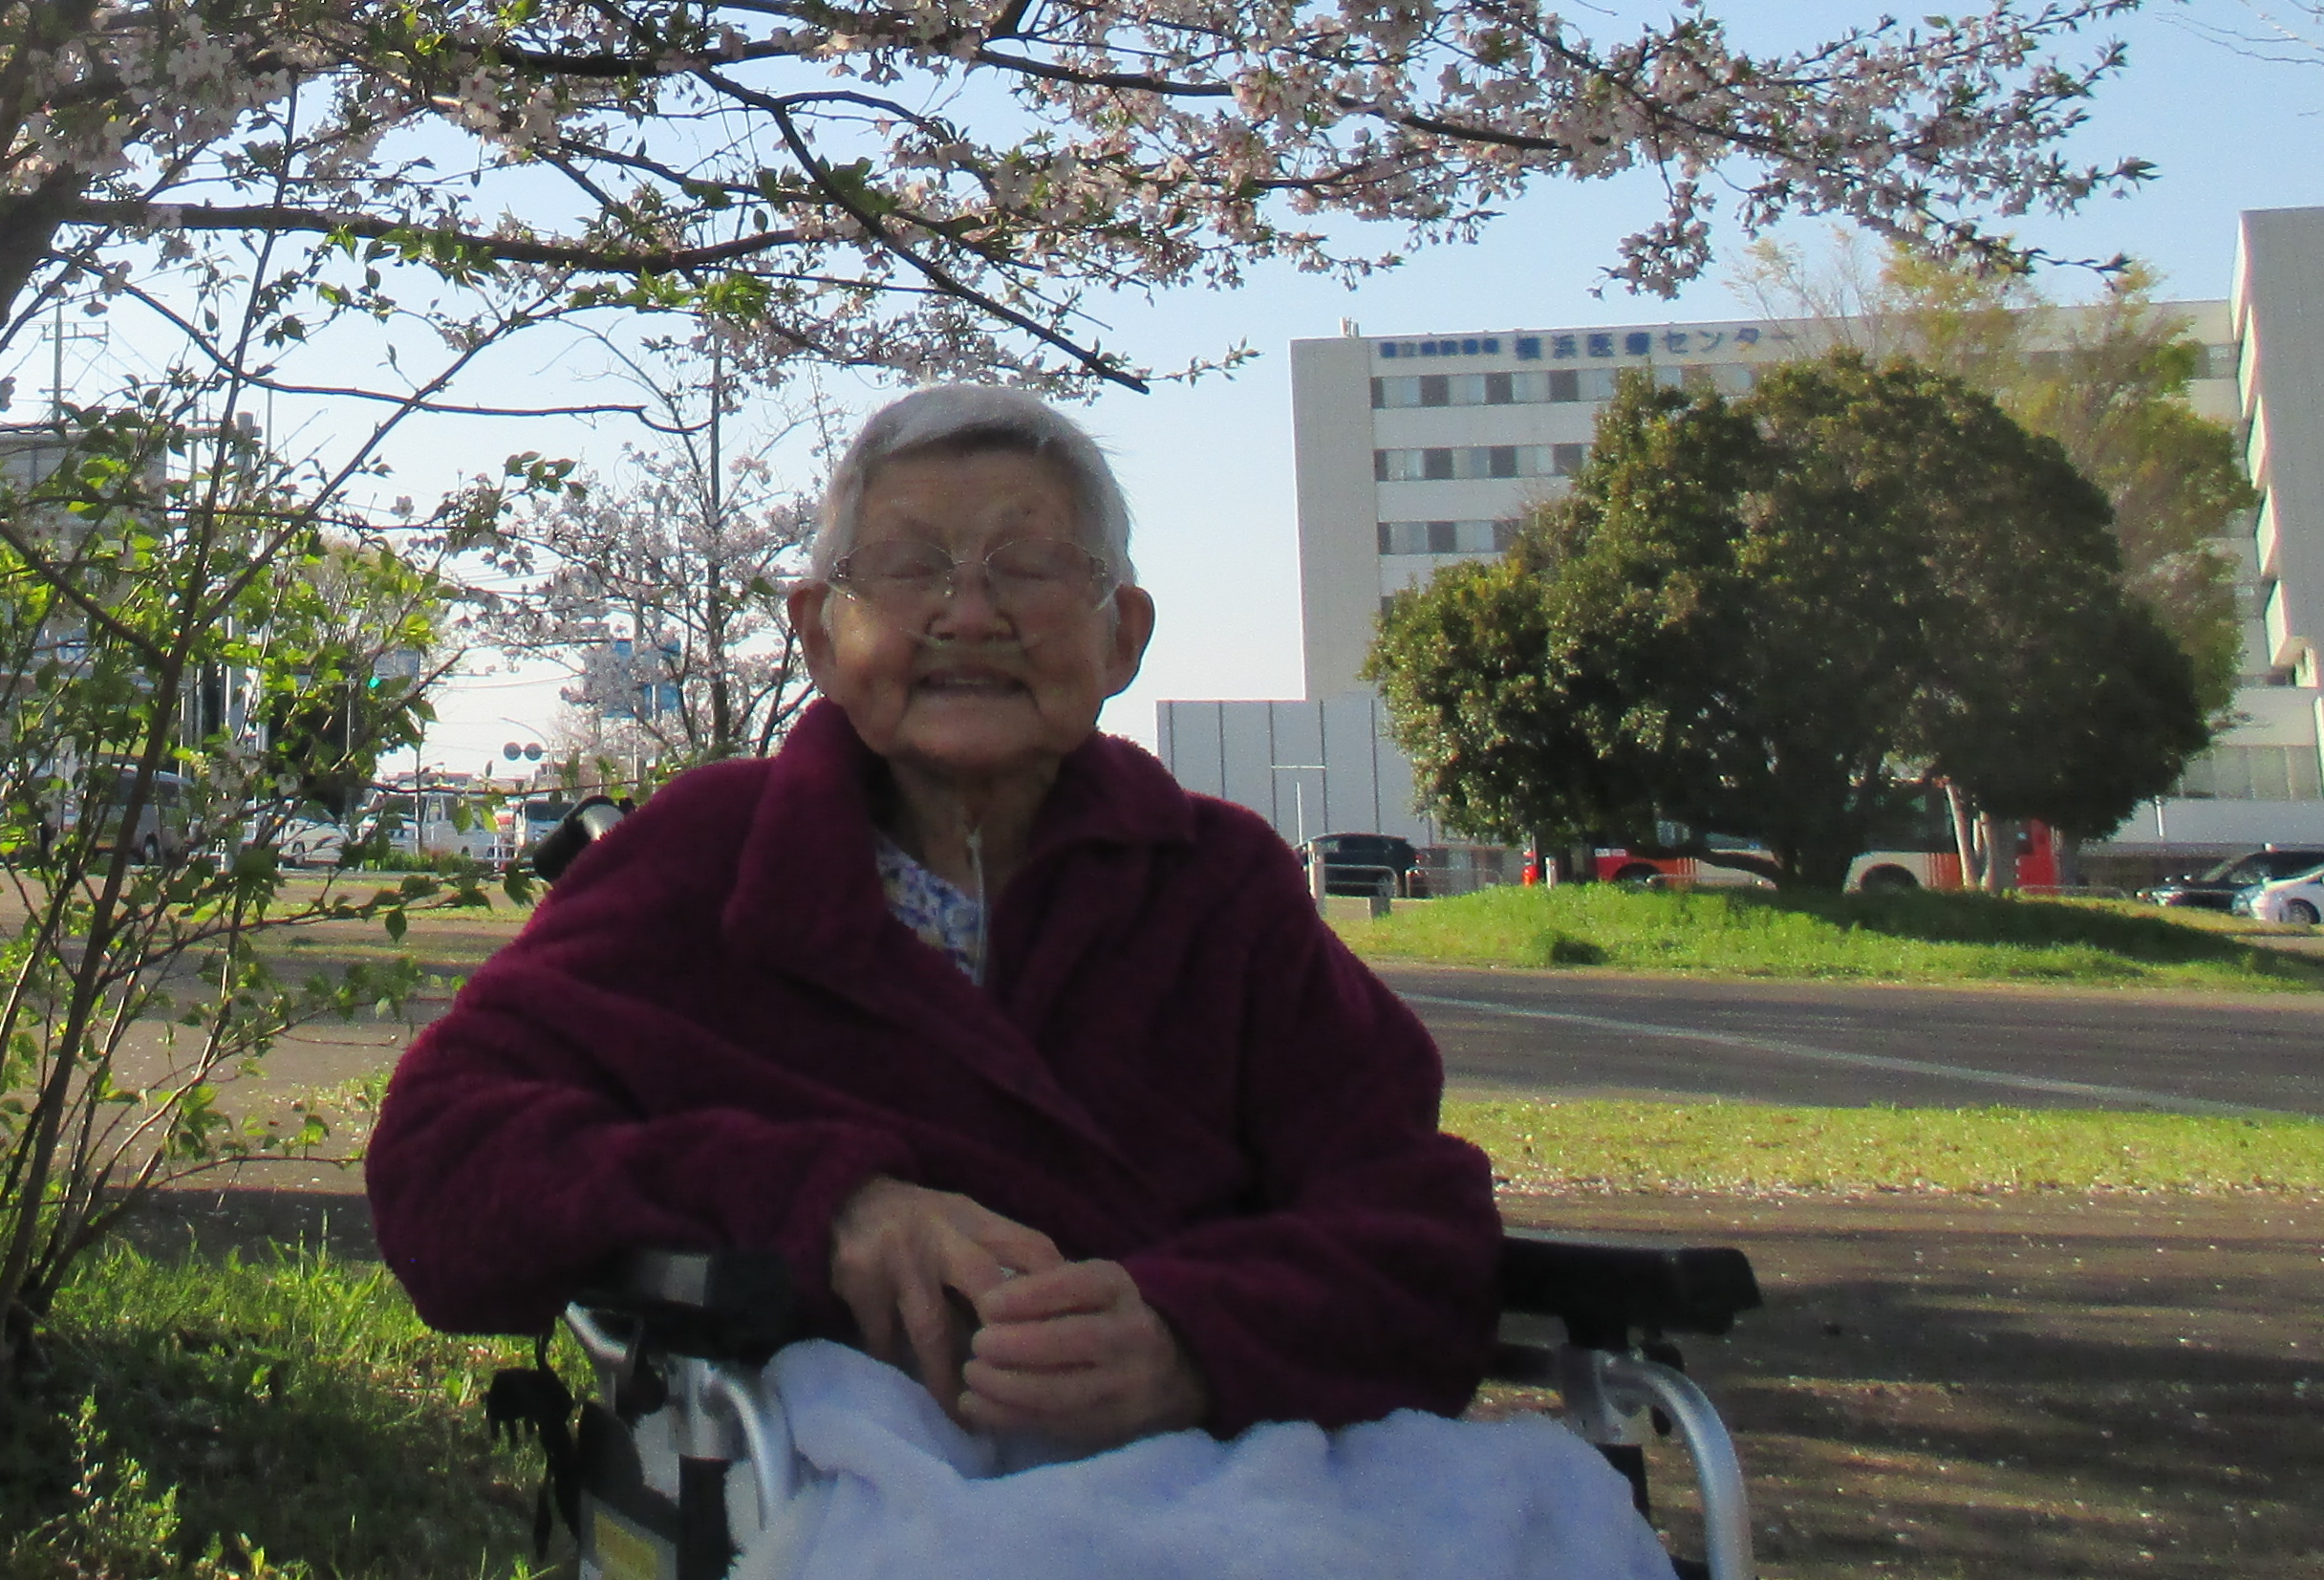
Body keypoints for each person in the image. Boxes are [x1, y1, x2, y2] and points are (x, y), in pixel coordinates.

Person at [367, 383, 1497, 1445]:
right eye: (911, 569)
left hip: (1219, 1482)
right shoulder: (704, 856)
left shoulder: (1218, 886)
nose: (969, 614)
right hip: (824, 1484)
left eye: (1031, 566)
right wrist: (824, 1205)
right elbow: (443, 1161)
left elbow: (1418, 1229)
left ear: (1122, 635)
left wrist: (1191, 1341)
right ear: (819, 635)